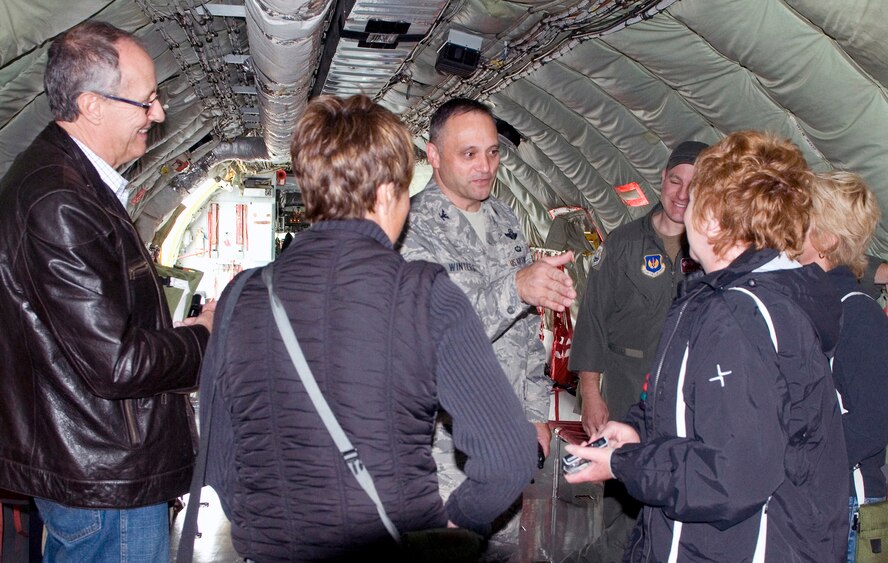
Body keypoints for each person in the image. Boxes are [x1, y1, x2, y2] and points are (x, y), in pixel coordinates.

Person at [201, 94, 538, 561]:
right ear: (386, 194)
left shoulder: (240, 297)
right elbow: (509, 457)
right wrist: (458, 520)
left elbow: (218, 461)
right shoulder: (425, 295)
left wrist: (276, 524)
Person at [564, 131, 849, 561]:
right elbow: (708, 419)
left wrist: (626, 464)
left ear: (713, 219)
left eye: (696, 197)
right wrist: (639, 433)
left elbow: (731, 477)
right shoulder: (732, 298)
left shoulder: (739, 317)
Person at [0, 21, 216, 562]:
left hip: (94, 458)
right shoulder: (60, 202)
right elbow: (115, 365)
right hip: (104, 472)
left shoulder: (71, 185)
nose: (160, 114)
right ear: (92, 105)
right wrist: (205, 339)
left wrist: (172, 334)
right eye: (146, 102)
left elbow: (96, 336)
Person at [398, 97, 576, 559]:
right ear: (433, 155)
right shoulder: (409, 228)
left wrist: (536, 412)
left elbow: (525, 331)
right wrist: (516, 287)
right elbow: (431, 331)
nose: (486, 166)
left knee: (502, 550)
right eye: (469, 153)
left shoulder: (504, 219)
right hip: (444, 446)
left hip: (508, 437)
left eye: (493, 152)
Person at [566, 139, 708, 561]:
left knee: (673, 489)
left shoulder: (711, 250)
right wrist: (592, 395)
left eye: (694, 185)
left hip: (685, 392)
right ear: (661, 180)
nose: (682, 194)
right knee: (621, 498)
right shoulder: (625, 243)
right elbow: (591, 320)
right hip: (627, 388)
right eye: (675, 181)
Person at [798, 171, 888, 562]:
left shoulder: (857, 315)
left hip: (844, 510)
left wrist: (801, 457)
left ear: (827, 239)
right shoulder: (805, 306)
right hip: (811, 505)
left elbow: (873, 421)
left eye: (803, 219)